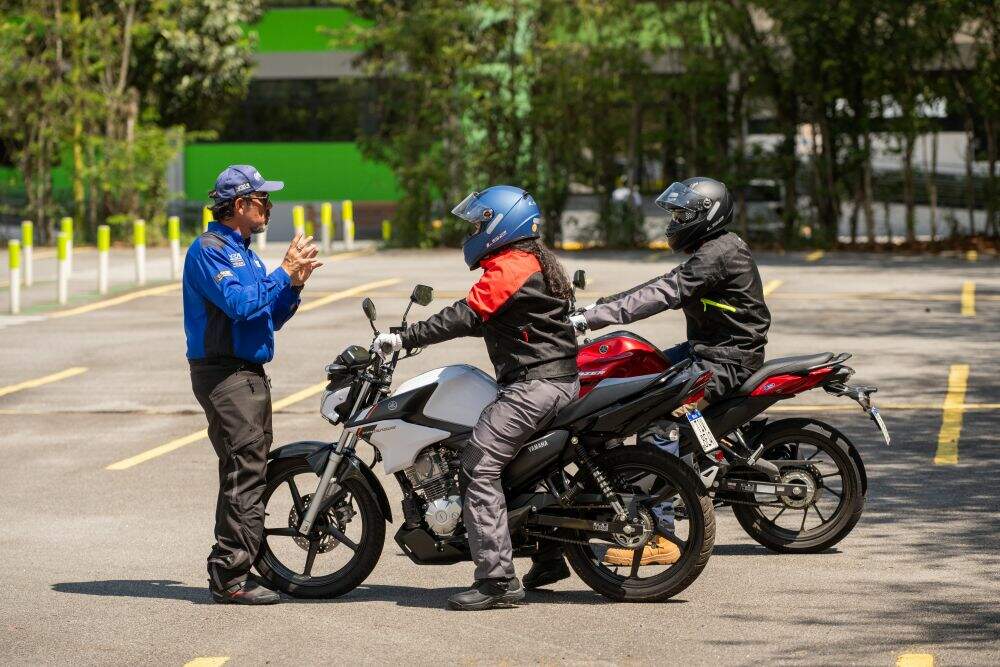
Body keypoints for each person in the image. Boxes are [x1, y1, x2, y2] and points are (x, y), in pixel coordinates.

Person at [525, 176, 772, 587]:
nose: (674, 222)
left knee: (656, 414)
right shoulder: (714, 248)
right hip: (707, 350)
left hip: (725, 358)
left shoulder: (721, 252)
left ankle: (659, 532)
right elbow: (657, 286)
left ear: (707, 216)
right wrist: (599, 307)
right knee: (629, 371)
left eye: (682, 215)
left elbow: (663, 292)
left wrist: (593, 317)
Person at [373, 186, 580, 611]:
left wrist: (404, 337)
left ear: (502, 224)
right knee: (521, 467)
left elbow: (468, 313)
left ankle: (497, 580)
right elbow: (485, 317)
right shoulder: (531, 261)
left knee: (478, 465)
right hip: (550, 381)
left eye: (481, 222)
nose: (476, 229)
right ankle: (547, 556)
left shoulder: (512, 265)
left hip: (535, 386)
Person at [184, 165, 323, 604]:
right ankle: (229, 576)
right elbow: (241, 305)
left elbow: (268, 317)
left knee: (250, 469)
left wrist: (293, 285)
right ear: (239, 205)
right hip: (223, 373)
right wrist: (281, 271)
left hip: (249, 373)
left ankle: (238, 564)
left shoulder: (244, 252)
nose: (269, 208)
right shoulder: (209, 250)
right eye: (263, 200)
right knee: (245, 469)